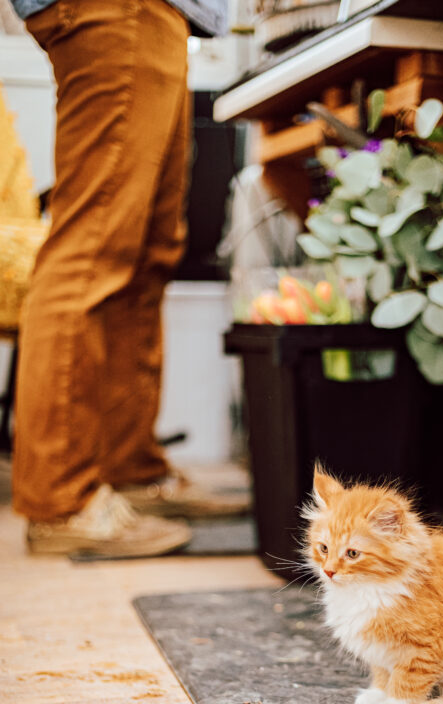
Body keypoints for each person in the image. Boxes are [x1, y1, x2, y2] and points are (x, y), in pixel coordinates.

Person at [9, 0, 243, 557]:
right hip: (117, 7)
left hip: (158, 15)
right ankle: (59, 498)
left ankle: (131, 470)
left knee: (147, 254)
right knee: (93, 247)